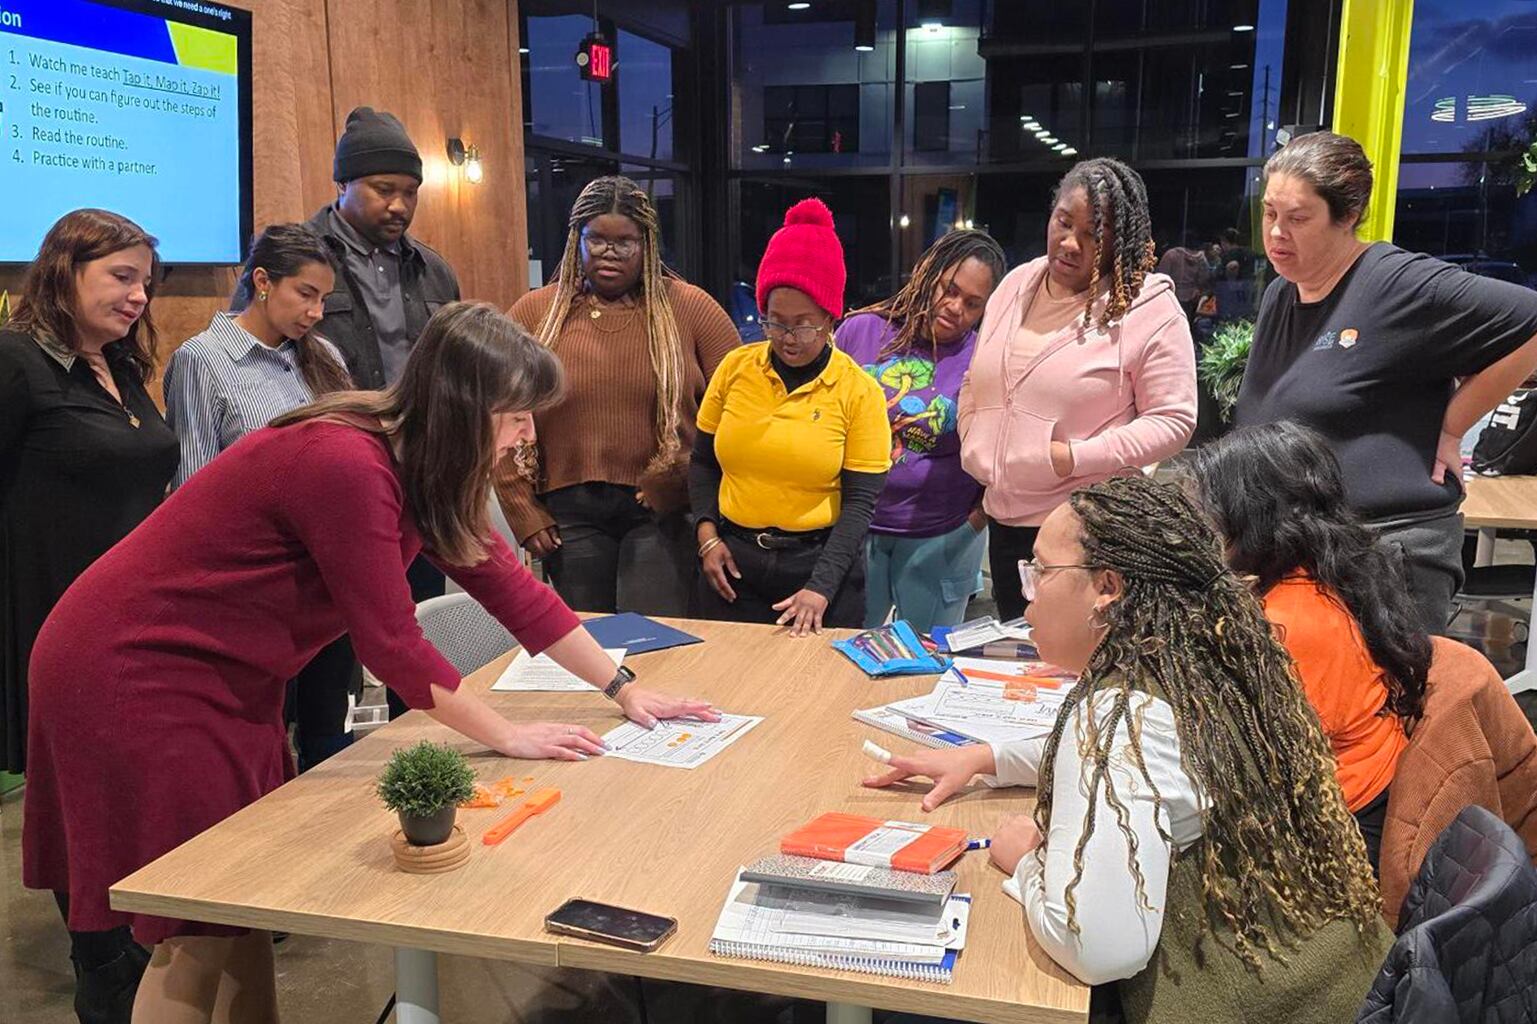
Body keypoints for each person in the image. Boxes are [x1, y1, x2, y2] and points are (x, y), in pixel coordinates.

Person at [23, 303, 717, 1023]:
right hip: (138, 671)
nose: (526, 438)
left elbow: (512, 589)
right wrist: (506, 733)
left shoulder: (425, 463)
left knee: (238, 907)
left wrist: (623, 686)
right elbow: (391, 645)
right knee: (191, 927)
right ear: (465, 410)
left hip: (221, 676)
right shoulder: (346, 462)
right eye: (517, 417)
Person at [866, 476, 1391, 1020]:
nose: (1029, 595)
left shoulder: (1118, 724)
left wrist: (1026, 864)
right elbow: (1160, 760)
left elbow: (1100, 949)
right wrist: (987, 758)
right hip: (1352, 984)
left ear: (1107, 588)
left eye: (1041, 571)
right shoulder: (1212, 662)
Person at [1235, 130, 1537, 634]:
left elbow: (1529, 322)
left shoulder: (1397, 284)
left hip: (1384, 561)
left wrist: (1454, 423)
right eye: (1269, 213)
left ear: (1347, 216)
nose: (1276, 234)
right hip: (1298, 559)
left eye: (1298, 218)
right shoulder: (1281, 295)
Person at [1, 209, 177, 1021]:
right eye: (121, 276)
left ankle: (131, 930)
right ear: (64, 270)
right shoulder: (14, 363)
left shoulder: (119, 366)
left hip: (135, 620)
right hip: (47, 614)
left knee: (127, 781)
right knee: (74, 792)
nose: (139, 294)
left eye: (146, 280)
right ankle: (98, 956)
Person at [958, 158, 1197, 621]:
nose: (1070, 243)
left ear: (1117, 243)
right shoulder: (1015, 285)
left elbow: (1174, 420)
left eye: (1093, 235)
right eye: (1063, 222)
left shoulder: (1147, 308)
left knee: (1077, 669)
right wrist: (973, 433)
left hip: (1086, 527)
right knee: (1023, 670)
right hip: (1007, 523)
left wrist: (1071, 457)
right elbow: (976, 376)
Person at [1191, 421, 1431, 872]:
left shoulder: (1290, 621)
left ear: (1249, 515)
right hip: (1362, 798)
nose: (1205, 522)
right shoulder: (1336, 571)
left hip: (1341, 830)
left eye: (1212, 508)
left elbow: (1254, 765)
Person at [495, 176, 739, 615]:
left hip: (662, 509)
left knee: (654, 639)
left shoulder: (690, 308)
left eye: (625, 242)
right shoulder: (537, 313)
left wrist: (695, 486)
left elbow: (741, 410)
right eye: (597, 240)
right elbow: (494, 415)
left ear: (647, 245)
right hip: (569, 512)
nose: (610, 253)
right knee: (590, 649)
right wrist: (520, 508)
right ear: (577, 241)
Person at [164, 223, 357, 772]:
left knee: (328, 737)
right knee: (264, 743)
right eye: (306, 294)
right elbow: (194, 487)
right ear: (264, 282)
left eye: (324, 299)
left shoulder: (322, 355)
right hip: (254, 583)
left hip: (326, 575)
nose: (316, 311)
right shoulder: (203, 359)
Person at [306, 105, 463, 716]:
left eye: (409, 192)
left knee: (413, 631)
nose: (399, 205)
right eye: (382, 189)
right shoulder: (299, 259)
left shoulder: (434, 270)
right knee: (329, 645)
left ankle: (416, 753)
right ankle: (320, 765)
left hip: (417, 475)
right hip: (337, 476)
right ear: (342, 183)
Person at [689, 198, 891, 635]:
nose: (788, 337)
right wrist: (707, 538)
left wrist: (821, 587)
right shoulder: (735, 368)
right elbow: (703, 462)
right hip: (732, 567)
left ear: (830, 318)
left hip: (819, 572)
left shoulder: (859, 391)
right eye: (774, 321)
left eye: (803, 324)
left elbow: (860, 504)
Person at [835, 230, 1006, 631]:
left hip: (942, 535)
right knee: (841, 659)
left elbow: (1002, 444)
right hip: (855, 530)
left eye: (972, 303)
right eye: (949, 289)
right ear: (927, 274)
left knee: (926, 668)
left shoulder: (985, 359)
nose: (954, 307)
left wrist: (979, 518)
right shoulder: (859, 330)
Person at [1155, 233, 1210, 320]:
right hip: (1192, 298)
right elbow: (1204, 278)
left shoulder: (1171, 254)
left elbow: (1161, 276)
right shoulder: (1201, 258)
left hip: (1171, 296)